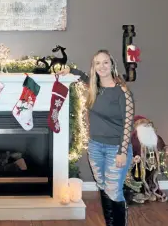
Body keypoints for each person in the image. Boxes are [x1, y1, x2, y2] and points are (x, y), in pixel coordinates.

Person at [58, 49, 135, 226]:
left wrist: (122, 152)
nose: (102, 66)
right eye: (97, 63)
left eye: (105, 62)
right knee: (103, 187)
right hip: (95, 147)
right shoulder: (94, 87)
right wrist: (69, 70)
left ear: (112, 65)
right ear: (94, 67)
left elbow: (128, 124)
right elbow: (82, 75)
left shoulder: (122, 91)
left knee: (114, 191)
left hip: (116, 148)